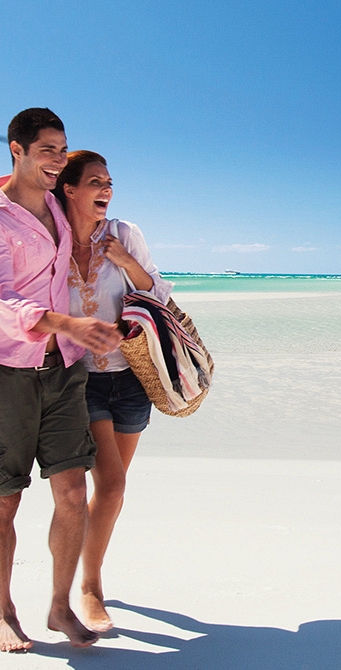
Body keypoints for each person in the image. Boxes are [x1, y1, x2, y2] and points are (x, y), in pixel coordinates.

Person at [0, 109, 122, 651]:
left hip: (64, 368)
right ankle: (2, 609)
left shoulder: (54, 205)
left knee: (73, 492)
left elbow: (94, 219)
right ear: (17, 150)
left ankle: (58, 606)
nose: (56, 159)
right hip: (9, 372)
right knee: (5, 500)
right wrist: (67, 321)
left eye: (62, 149)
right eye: (47, 149)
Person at [53, 151, 173, 633]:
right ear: (69, 189)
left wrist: (126, 263)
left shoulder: (125, 234)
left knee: (110, 489)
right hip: (77, 378)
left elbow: (159, 293)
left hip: (131, 376)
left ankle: (81, 569)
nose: (106, 190)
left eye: (109, 182)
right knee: (114, 482)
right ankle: (90, 586)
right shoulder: (51, 237)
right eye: (95, 182)